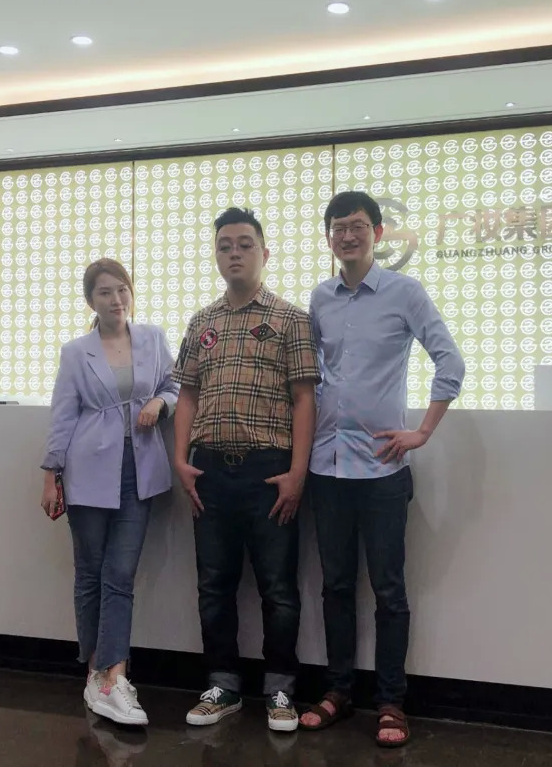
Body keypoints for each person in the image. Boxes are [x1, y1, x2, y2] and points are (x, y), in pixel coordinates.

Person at [298, 191, 465, 748]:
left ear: (377, 233)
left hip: (382, 470)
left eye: (358, 226)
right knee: (336, 587)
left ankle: (391, 701)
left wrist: (422, 431)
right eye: (338, 227)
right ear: (329, 237)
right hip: (327, 466)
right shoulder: (320, 298)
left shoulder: (404, 292)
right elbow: (316, 375)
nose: (348, 236)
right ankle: (339, 690)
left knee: (389, 590)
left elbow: (450, 360)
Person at [172, 207, 320, 733]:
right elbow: (187, 396)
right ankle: (223, 686)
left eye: (244, 244)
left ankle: (280, 689)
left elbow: (305, 399)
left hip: (269, 473)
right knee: (214, 584)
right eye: (224, 246)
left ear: (264, 252)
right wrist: (180, 460)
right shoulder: (202, 322)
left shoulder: (290, 319)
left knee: (278, 588)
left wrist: (298, 472)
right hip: (210, 472)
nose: (233, 253)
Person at [41, 258, 180, 727]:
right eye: (105, 292)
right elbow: (63, 414)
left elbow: (175, 384)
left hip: (138, 470)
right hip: (87, 470)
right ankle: (96, 672)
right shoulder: (76, 352)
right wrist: (50, 473)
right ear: (90, 301)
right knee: (89, 573)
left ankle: (113, 676)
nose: (116, 299)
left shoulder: (153, 339)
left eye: (122, 289)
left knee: (119, 573)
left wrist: (159, 402)